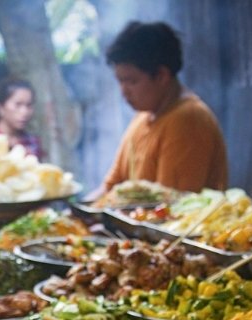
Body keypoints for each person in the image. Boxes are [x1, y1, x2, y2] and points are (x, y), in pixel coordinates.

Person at [96, 21, 228, 195]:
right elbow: (110, 188)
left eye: (132, 81)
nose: (124, 92)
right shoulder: (143, 117)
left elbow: (169, 207)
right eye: (120, 81)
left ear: (161, 76)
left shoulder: (187, 120)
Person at [0, 78, 44, 160]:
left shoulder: (32, 142)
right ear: (0, 107)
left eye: (29, 105)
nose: (25, 112)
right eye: (18, 105)